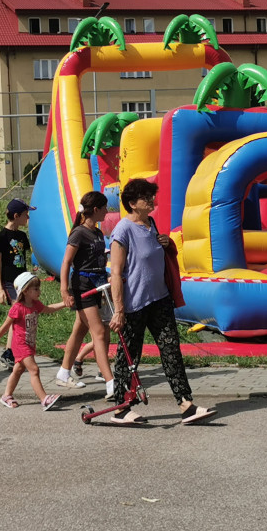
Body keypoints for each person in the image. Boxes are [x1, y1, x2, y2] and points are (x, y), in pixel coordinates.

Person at [108, 178, 215, 425]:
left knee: (171, 352)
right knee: (128, 357)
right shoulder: (122, 231)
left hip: (160, 300)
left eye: (151, 196)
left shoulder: (151, 224)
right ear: (133, 203)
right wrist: (119, 309)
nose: (151, 201)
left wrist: (166, 243)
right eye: (146, 197)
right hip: (134, 305)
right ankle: (121, 408)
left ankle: (186, 405)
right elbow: (116, 272)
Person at [57, 191, 114, 397]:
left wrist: (108, 276)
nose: (108, 212)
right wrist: (64, 290)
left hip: (98, 285)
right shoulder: (79, 233)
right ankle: (110, 382)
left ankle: (63, 374)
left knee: (79, 331)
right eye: (105, 208)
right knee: (99, 333)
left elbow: (97, 262)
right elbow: (66, 262)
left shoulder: (98, 234)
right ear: (96, 210)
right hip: (82, 286)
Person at [0, 271, 64, 411]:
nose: (39, 291)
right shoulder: (17, 308)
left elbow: (49, 309)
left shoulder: (35, 304)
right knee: (34, 369)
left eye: (38, 288)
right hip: (20, 345)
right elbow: (5, 326)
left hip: (29, 344)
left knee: (18, 370)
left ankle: (6, 395)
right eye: (36, 289)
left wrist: (64, 304)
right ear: (26, 290)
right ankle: (44, 399)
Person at [0, 198, 36, 370]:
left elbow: (24, 259)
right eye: (26, 215)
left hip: (23, 281)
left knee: (19, 315)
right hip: (9, 282)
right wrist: (0, 288)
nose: (28, 218)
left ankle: (10, 352)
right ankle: (10, 353)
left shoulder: (22, 236)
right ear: (16, 216)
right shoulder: (2, 237)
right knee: (17, 314)